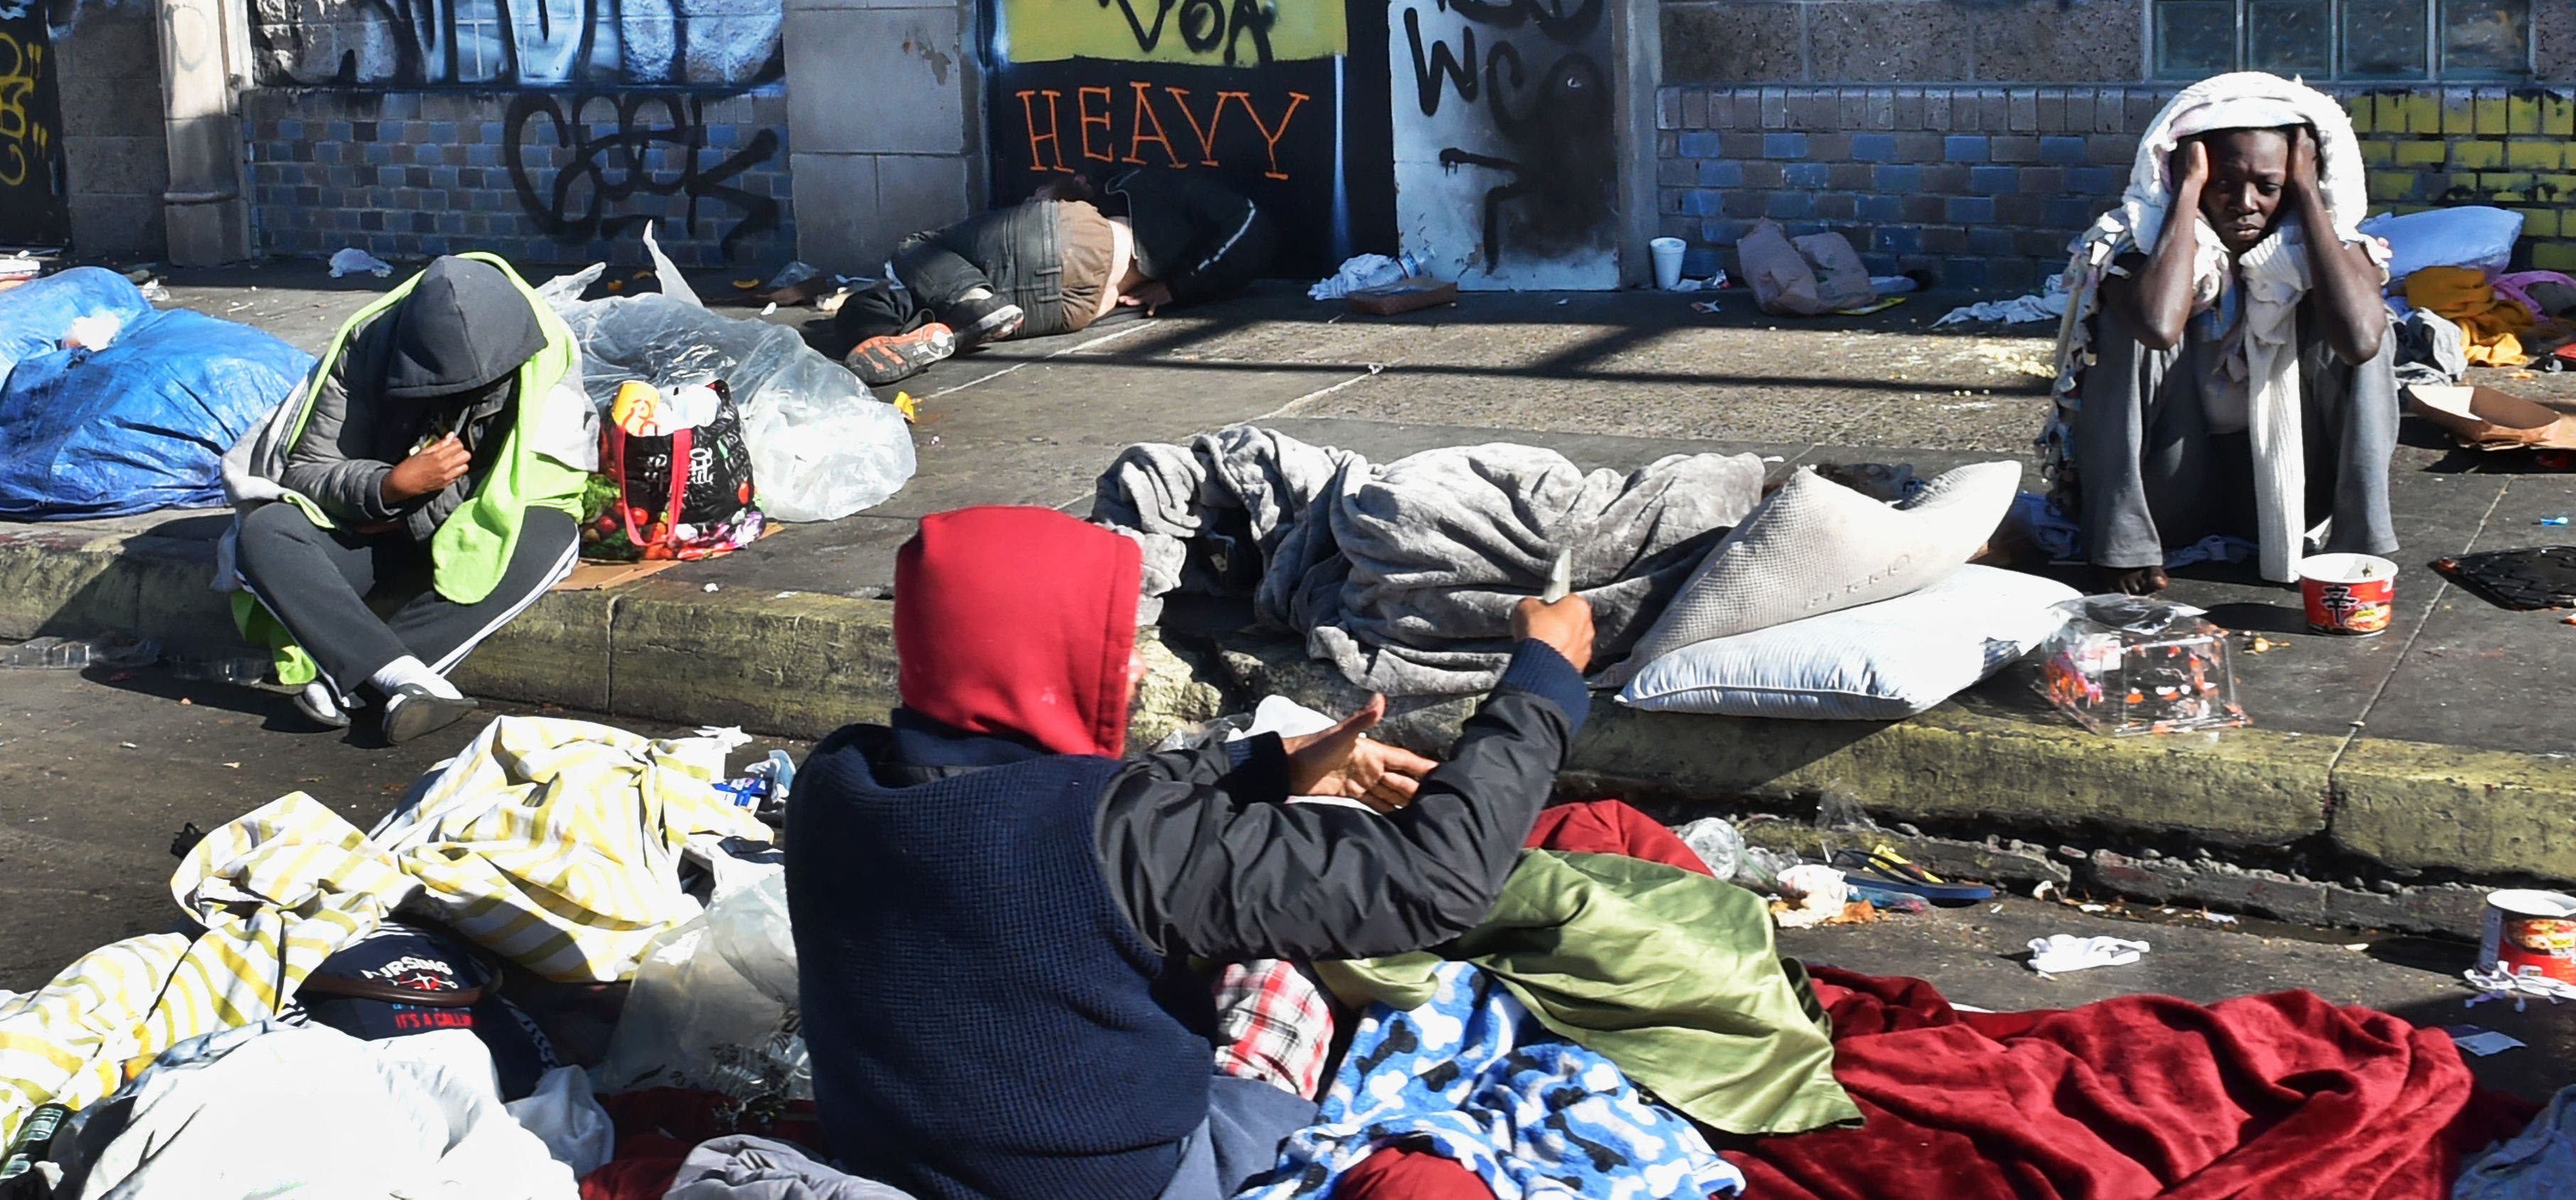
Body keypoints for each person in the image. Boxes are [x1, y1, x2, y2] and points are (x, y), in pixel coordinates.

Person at [785, 504, 1597, 1200]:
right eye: (1112, 641)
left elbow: (1067, 798)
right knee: (1290, 967)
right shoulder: (1117, 835)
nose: (1135, 663)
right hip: (1120, 1183)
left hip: (894, 1159)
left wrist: (1271, 763)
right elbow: (1435, 882)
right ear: (1041, 656)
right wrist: (1542, 684)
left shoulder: (836, 781)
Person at [2050, 72, 2399, 593]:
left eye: (2268, 185)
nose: (2245, 202)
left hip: (2291, 492)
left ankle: (2358, 552)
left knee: (2364, 326)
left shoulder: (2335, 249)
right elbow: (2158, 325)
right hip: (2177, 486)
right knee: (2126, 329)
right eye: (2223, 183)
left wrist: (2306, 192)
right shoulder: (2132, 246)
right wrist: (2185, 192)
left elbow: (2360, 341)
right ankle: (2119, 547)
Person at [224, 254, 593, 743]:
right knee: (266, 531)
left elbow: (523, 484)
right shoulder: (366, 348)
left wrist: (410, 512)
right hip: (375, 524)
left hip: (469, 528)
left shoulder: (538, 359)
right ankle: (402, 679)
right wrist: (391, 487)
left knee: (552, 535)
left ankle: (355, 686)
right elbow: (308, 471)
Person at [833, 168, 1276, 385]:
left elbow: (1253, 223)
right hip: (1072, 308)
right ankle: (941, 323)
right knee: (893, 301)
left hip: (1078, 245)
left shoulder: (1152, 181)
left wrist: (1180, 285)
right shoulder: (1139, 189)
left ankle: (966, 304)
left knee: (914, 245)